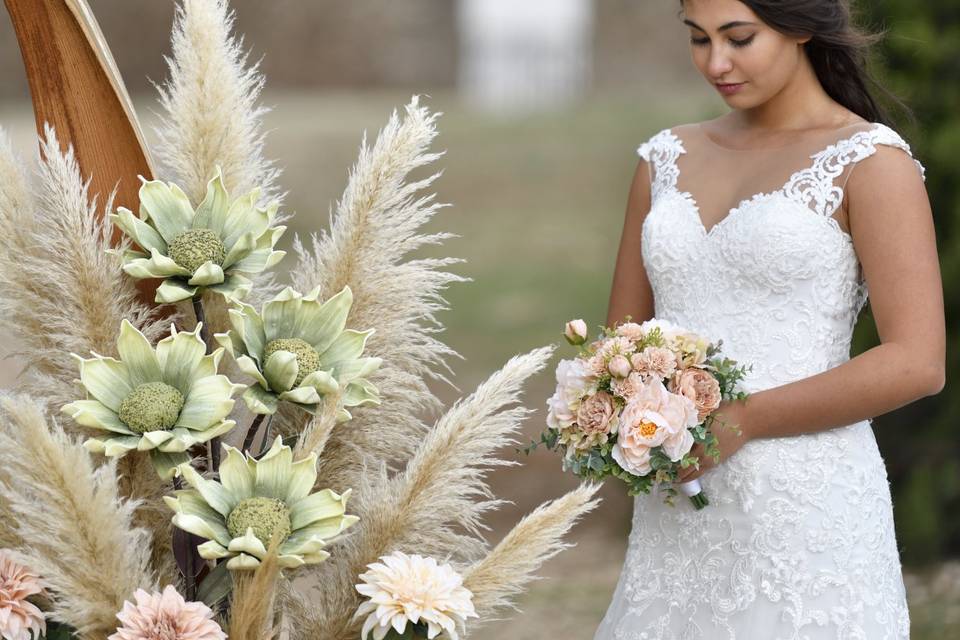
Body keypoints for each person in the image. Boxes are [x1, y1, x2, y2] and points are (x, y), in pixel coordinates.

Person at [594, 0, 945, 638]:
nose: (716, 62)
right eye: (698, 39)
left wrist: (743, 419)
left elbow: (917, 362)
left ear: (802, 25)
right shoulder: (664, 157)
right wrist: (619, 420)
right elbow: (620, 343)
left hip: (807, 503)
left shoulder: (870, 161)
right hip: (679, 500)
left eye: (739, 38)